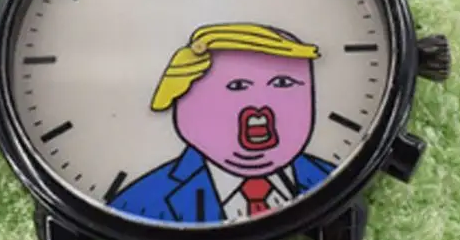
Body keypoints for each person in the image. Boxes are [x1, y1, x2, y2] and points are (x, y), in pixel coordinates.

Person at [109, 22, 334, 223]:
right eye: (237, 86)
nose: (259, 103)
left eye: (283, 83)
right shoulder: (139, 204)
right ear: (181, 101)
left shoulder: (327, 177)